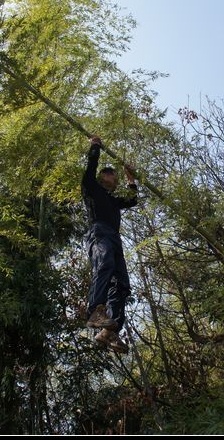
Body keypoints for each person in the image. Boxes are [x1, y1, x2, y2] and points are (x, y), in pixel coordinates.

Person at [82, 135, 138, 354]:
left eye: (115, 176)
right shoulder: (91, 189)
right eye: (110, 174)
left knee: (122, 284)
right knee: (103, 262)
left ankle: (110, 332)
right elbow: (90, 168)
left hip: (115, 238)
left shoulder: (113, 199)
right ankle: (95, 312)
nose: (112, 178)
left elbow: (132, 200)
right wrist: (95, 146)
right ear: (102, 176)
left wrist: (130, 179)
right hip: (99, 232)